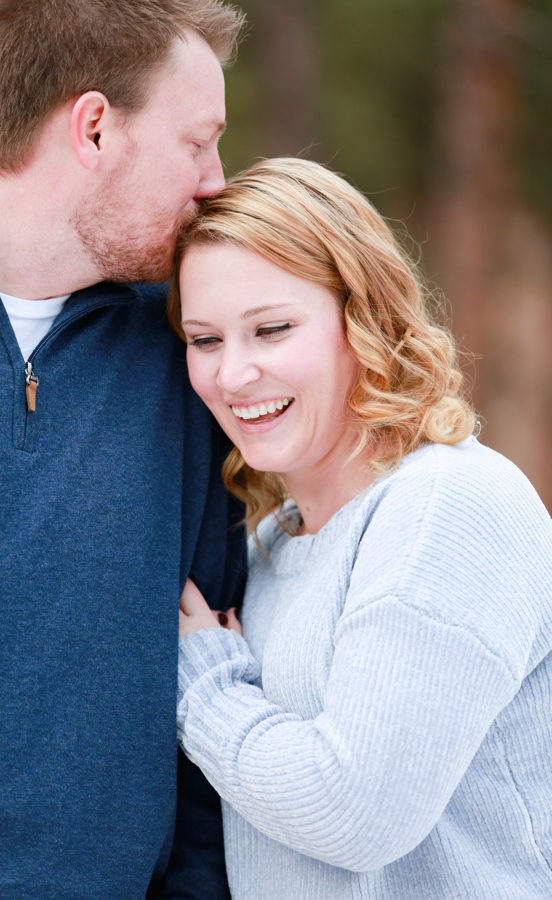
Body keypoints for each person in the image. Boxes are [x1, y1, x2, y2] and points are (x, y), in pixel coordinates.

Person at [170, 157, 552, 900]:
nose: (233, 375)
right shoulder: (273, 546)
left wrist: (207, 688)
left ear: (363, 317)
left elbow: (356, 814)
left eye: (272, 329)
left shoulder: (449, 505)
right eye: (204, 340)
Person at [0, 1, 246, 898]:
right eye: (198, 143)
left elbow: (215, 684)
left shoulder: (194, 353)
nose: (217, 181)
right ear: (93, 127)